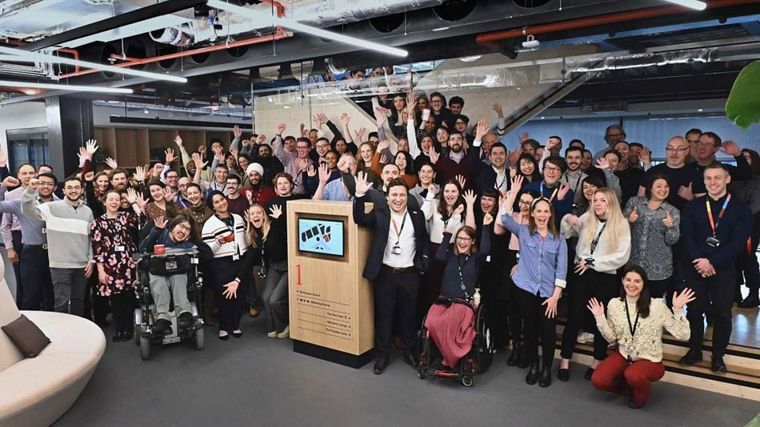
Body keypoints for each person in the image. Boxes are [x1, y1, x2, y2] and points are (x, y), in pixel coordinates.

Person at [679, 163, 752, 372]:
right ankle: (694, 350)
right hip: (695, 266)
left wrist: (712, 262)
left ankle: (718, 356)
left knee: (722, 314)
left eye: (717, 178)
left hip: (725, 269)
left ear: (727, 179)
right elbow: (688, 236)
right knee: (694, 310)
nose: (713, 182)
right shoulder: (693, 206)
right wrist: (701, 261)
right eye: (708, 178)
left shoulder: (741, 209)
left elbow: (738, 243)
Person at [353, 173, 428, 375]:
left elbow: (424, 241)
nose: (398, 199)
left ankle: (410, 351)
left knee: (408, 315)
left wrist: (424, 263)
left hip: (410, 274)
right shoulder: (380, 214)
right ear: (387, 197)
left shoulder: (416, 215)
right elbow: (359, 218)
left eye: (402, 195)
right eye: (394, 195)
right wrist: (359, 196)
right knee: (384, 316)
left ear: (407, 197)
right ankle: (383, 354)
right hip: (385, 274)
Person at [590, 266, 695, 408]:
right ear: (622, 281)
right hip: (624, 355)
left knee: (633, 375)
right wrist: (600, 318)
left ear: (644, 284)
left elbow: (683, 335)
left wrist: (678, 309)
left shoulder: (657, 306)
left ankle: (639, 393)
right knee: (598, 380)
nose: (631, 284)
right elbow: (611, 338)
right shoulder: (614, 304)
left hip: (650, 360)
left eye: (637, 281)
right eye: (628, 280)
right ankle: (630, 387)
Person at [498, 175, 567, 387]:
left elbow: (561, 270)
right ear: (533, 213)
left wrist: (555, 296)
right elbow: (503, 217)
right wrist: (513, 193)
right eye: (539, 211)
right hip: (525, 289)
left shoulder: (559, 239)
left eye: (546, 211)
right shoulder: (523, 231)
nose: (542, 215)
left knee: (547, 334)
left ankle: (546, 367)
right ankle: (534, 365)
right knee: (529, 330)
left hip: (548, 294)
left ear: (550, 214)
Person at [559, 187, 631, 381]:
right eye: (595, 200)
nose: (597, 204)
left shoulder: (621, 224)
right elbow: (565, 232)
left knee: (601, 319)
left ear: (611, 203)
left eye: (602, 200)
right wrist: (568, 219)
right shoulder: (587, 217)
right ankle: (565, 360)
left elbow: (622, 256)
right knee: (573, 317)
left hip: (605, 278)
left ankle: (597, 361)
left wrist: (592, 262)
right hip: (581, 275)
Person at [22, 176, 94, 317]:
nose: (73, 190)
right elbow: (27, 211)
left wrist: (91, 259)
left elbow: (91, 238)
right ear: (63, 190)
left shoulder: (87, 211)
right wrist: (30, 190)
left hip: (82, 265)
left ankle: (78, 333)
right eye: (70, 187)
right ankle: (64, 335)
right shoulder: (51, 208)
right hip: (60, 265)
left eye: (76, 187)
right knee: (61, 302)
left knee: (78, 301)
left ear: (82, 190)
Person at [426, 219, 491, 370]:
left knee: (450, 321)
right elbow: (439, 256)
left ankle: (450, 360)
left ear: (472, 241)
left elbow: (486, 250)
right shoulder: (450, 256)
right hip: (443, 301)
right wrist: (448, 234)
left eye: (466, 239)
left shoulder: (475, 259)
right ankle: (445, 355)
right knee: (432, 321)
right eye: (460, 238)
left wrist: (486, 226)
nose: (462, 242)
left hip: (463, 304)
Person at [140, 214, 208, 336]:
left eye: (187, 229)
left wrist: (193, 241)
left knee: (179, 276)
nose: (183, 231)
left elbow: (206, 253)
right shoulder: (160, 233)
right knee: (158, 280)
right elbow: (143, 249)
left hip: (178, 273)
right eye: (181, 226)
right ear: (173, 226)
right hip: (158, 272)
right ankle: (163, 319)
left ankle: (185, 313)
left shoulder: (187, 244)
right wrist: (156, 231)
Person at [90, 189, 140, 342]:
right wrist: (100, 271)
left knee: (129, 296)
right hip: (110, 263)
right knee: (115, 299)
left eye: (117, 199)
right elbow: (97, 248)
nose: (114, 202)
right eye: (111, 199)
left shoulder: (126, 217)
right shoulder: (97, 223)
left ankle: (129, 328)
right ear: (104, 202)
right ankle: (119, 329)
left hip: (128, 261)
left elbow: (141, 218)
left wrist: (133, 203)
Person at [262, 173, 306, 338]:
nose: (282, 186)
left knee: (275, 299)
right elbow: (266, 229)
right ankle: (274, 326)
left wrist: (280, 219)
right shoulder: (269, 204)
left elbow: (294, 229)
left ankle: (285, 325)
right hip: (275, 261)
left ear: (291, 185)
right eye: (279, 183)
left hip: (291, 260)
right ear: (275, 187)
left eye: (285, 183)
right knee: (266, 298)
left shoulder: (298, 202)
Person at [623, 174, 681, 298]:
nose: (663, 189)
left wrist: (670, 227)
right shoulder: (635, 203)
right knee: (632, 301)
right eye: (658, 186)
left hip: (659, 267)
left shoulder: (672, 211)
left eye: (666, 186)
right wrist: (629, 220)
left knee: (655, 304)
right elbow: (620, 230)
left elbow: (672, 240)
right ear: (650, 188)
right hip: (634, 263)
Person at [202, 191, 249, 340]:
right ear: (213, 206)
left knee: (239, 294)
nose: (221, 203)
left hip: (239, 259)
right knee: (224, 297)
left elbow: (245, 239)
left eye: (222, 199)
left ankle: (235, 325)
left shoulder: (238, 218)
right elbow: (207, 250)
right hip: (221, 263)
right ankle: (223, 327)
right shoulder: (210, 224)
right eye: (216, 202)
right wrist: (220, 241)